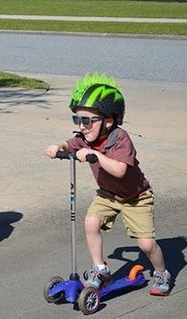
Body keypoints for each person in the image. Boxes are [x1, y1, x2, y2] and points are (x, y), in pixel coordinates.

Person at [45, 73, 170, 296]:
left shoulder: (120, 139)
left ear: (109, 121)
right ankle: (100, 269)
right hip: (107, 195)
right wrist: (57, 147)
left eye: (87, 121)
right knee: (90, 223)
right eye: (78, 120)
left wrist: (94, 155)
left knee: (146, 245)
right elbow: (69, 143)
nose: (82, 126)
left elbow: (120, 170)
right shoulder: (84, 138)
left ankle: (161, 272)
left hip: (136, 197)